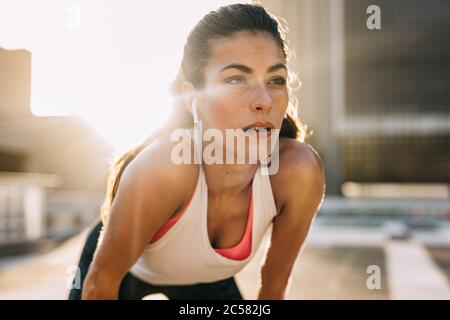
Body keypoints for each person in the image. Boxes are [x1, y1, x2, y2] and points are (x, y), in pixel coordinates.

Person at [69, 3, 325, 300]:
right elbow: (100, 284)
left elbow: (273, 287)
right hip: (125, 272)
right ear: (194, 98)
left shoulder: (298, 172)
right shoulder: (166, 168)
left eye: (275, 80)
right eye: (236, 79)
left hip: (207, 281)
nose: (264, 100)